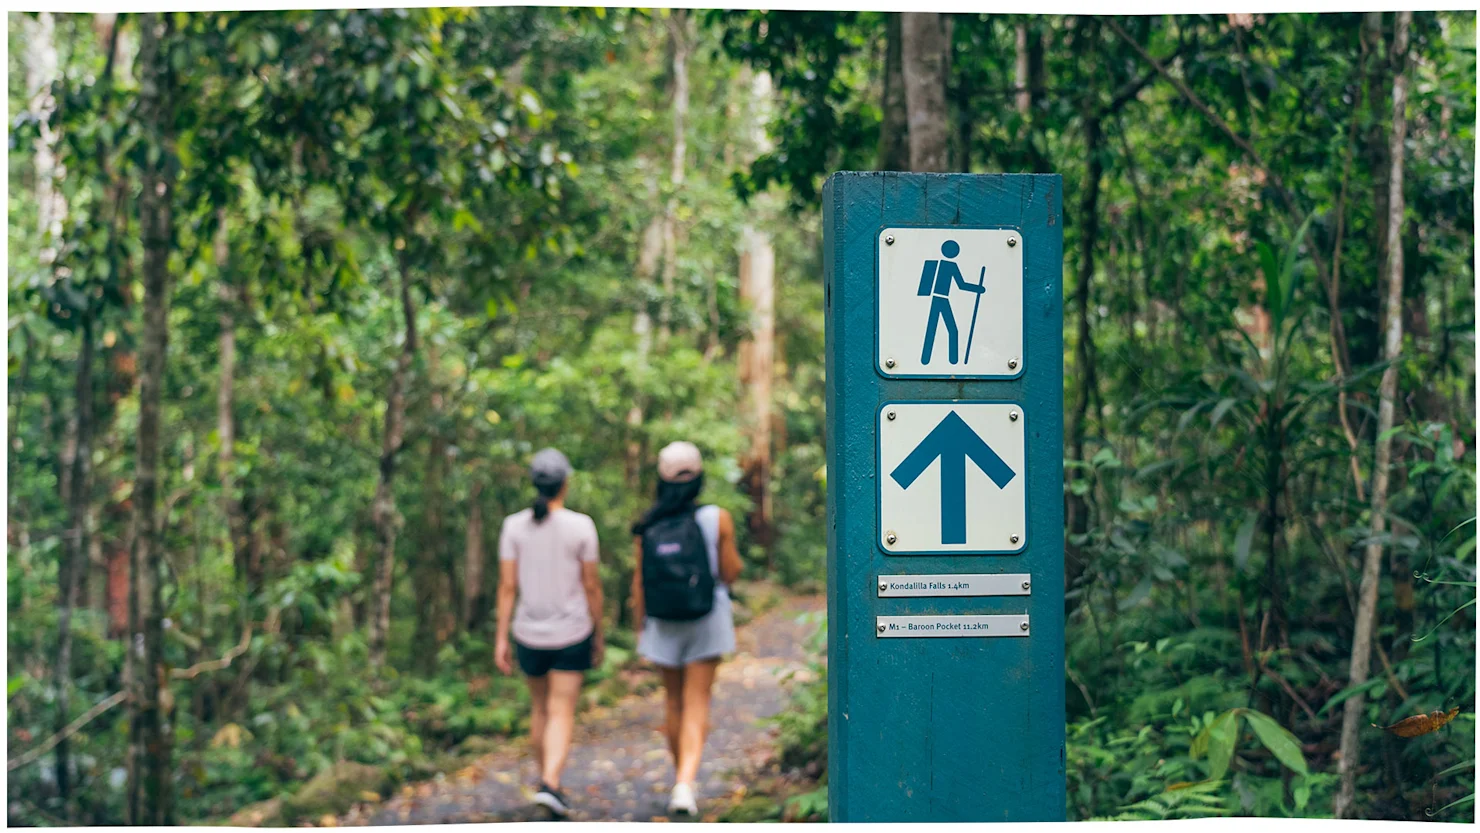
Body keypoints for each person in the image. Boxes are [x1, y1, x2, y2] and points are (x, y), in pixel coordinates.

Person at [630, 441, 743, 817]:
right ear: (699, 479)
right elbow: (729, 574)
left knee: (673, 702)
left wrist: (640, 629)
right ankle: (684, 784)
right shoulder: (717, 519)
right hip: (706, 619)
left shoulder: (648, 525)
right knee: (698, 703)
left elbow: (639, 585)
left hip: (662, 622)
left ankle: (682, 778)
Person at [494, 448, 604, 819]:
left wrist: (501, 637)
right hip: (572, 631)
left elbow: (507, 586)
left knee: (540, 708)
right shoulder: (581, 525)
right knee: (561, 710)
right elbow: (592, 586)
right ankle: (551, 783)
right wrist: (599, 631)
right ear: (565, 484)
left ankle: (547, 780)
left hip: (528, 632)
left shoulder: (514, 526)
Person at [917, 239, 984, 365]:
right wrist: (978, 288)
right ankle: (952, 361)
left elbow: (924, 288)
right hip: (941, 299)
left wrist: (978, 289)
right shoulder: (948, 266)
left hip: (938, 299)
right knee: (950, 329)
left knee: (932, 329)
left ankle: (926, 360)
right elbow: (962, 285)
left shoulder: (932, 264)